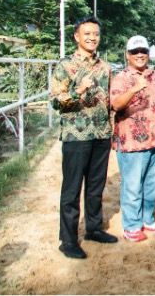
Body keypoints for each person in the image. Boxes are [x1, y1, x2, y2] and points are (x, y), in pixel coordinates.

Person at [51, 16, 117, 259]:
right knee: (71, 190)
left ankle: (94, 229)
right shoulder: (65, 66)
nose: (92, 37)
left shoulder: (105, 67)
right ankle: (67, 241)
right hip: (75, 137)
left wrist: (111, 131)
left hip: (101, 135)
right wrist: (78, 90)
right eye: (87, 33)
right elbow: (56, 102)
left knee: (95, 187)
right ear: (76, 36)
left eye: (96, 34)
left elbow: (110, 102)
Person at [110, 36, 155, 242]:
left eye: (143, 50)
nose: (140, 54)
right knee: (133, 186)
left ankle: (147, 219)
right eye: (135, 51)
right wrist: (135, 88)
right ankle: (132, 226)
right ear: (127, 55)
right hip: (132, 143)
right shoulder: (121, 78)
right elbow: (116, 104)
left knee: (152, 183)